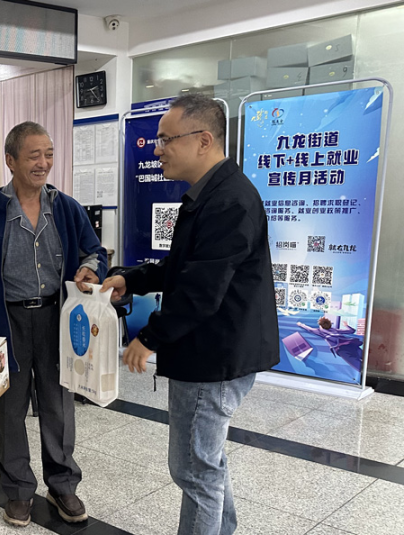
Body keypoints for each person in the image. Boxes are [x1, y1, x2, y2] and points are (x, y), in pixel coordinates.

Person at [101, 94, 279, 535]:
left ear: (203, 140)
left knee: (194, 471)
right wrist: (132, 279)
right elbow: (183, 267)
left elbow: (201, 292)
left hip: (211, 359)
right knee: (207, 463)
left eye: (166, 139)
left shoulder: (228, 201)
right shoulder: (209, 194)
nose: (157, 148)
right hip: (212, 353)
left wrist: (149, 337)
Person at [0, 121, 107, 528]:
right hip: (8, 322)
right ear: (11, 160)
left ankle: (62, 484)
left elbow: (95, 253)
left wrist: (90, 270)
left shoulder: (66, 209)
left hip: (57, 319)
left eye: (49, 154)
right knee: (11, 410)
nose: (43, 163)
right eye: (34, 155)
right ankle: (18, 491)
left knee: (58, 405)